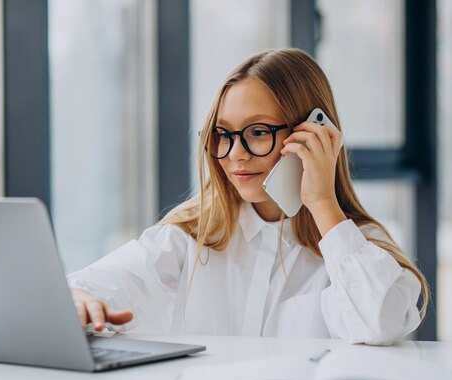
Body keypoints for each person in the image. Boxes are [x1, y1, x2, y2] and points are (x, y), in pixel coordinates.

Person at [67, 48, 429, 345]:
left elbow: (380, 323)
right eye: (223, 134)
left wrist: (321, 200)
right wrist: (78, 298)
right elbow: (89, 285)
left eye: (257, 132)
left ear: (313, 134)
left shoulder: (359, 246)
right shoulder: (192, 236)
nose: (234, 153)